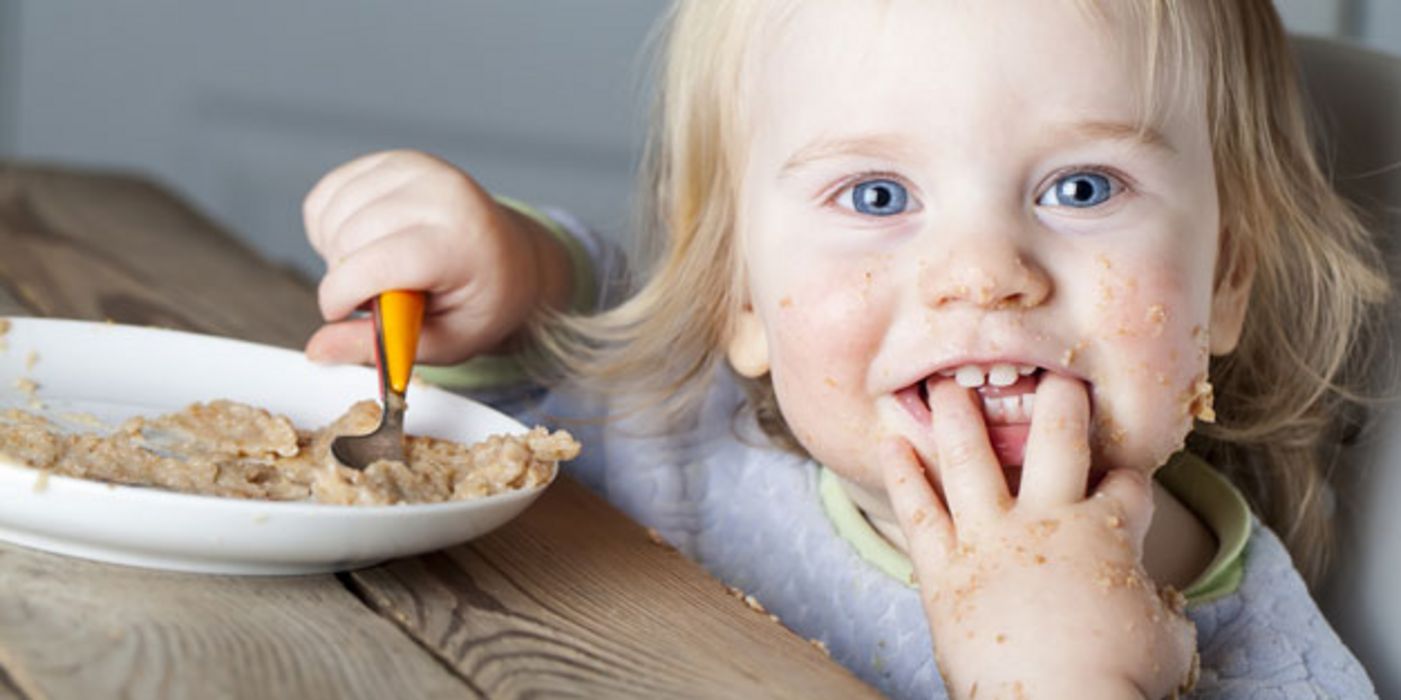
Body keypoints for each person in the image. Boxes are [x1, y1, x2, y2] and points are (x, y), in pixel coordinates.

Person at [300, 1, 1386, 696]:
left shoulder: (1263, 656)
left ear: (1226, 277)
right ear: (741, 292)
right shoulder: (694, 451)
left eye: (1082, 187)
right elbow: (544, 376)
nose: (984, 270)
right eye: (877, 195)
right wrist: (519, 271)